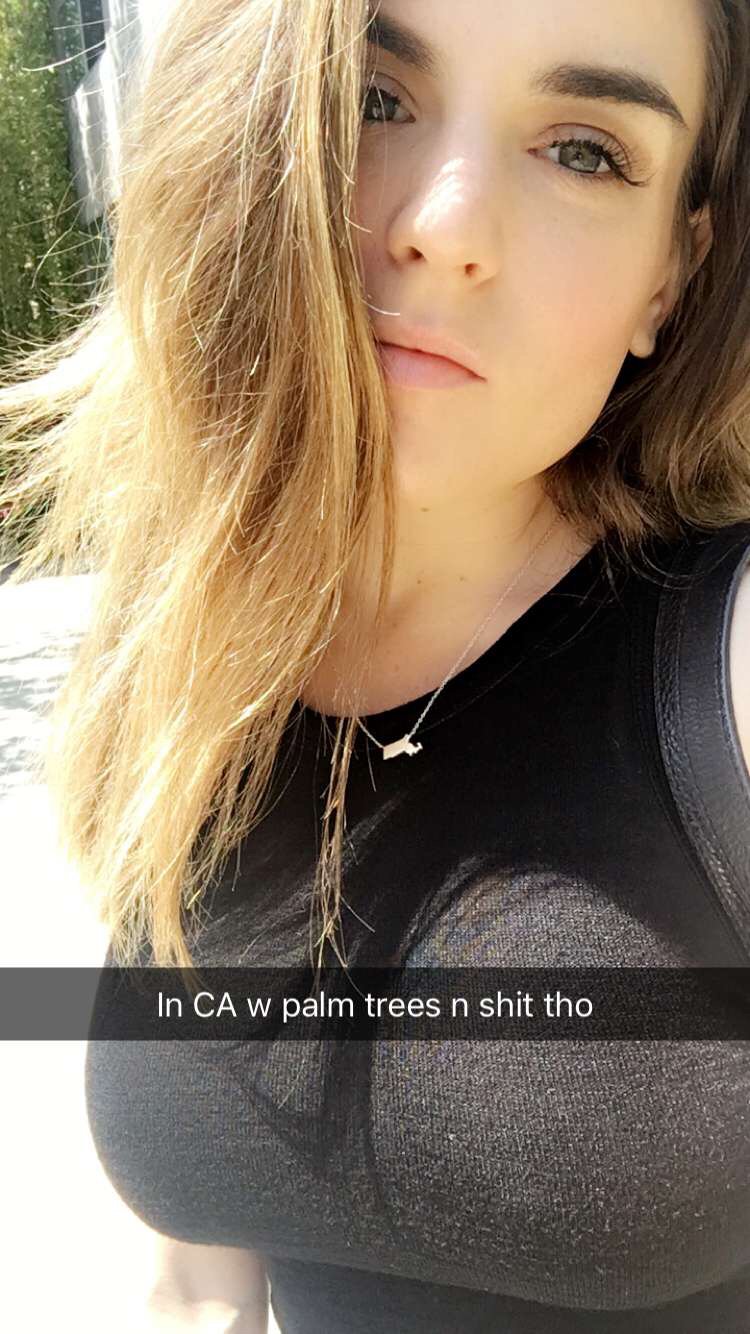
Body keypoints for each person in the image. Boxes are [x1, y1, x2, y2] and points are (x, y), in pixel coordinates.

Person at [1, 0, 750, 1330]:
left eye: (583, 150)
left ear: (669, 275)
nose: (445, 226)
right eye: (373, 100)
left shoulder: (722, 665)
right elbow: (197, 1280)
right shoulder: (187, 649)